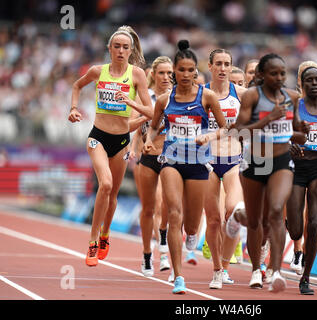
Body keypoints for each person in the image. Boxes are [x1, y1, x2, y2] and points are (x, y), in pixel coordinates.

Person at [142, 40, 227, 294]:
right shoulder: (165, 100)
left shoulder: (207, 96)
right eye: (182, 70)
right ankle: (179, 277)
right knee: (174, 213)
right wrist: (148, 140)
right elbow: (155, 126)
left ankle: (191, 235)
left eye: (191, 70)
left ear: (196, 71)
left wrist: (209, 137)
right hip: (171, 162)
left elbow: (224, 127)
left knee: (191, 225)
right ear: (174, 72)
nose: (187, 75)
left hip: (199, 163)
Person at [68, 25, 154, 267]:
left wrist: (130, 102)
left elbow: (151, 111)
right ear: (109, 49)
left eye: (125, 47)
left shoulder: (137, 75)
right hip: (98, 137)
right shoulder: (98, 71)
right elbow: (76, 86)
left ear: (131, 50)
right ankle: (93, 241)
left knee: (113, 194)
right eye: (116, 46)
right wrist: (74, 109)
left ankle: (106, 233)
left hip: (122, 142)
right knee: (104, 184)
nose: (120, 51)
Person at [233, 53, 305, 292]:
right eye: (274, 73)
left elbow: (297, 133)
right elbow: (239, 132)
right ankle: (256, 269)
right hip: (255, 160)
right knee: (256, 221)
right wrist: (267, 120)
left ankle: (276, 271)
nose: (279, 77)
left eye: (283, 73)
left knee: (275, 211)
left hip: (282, 161)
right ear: (262, 75)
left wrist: (300, 133)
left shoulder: (292, 98)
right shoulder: (252, 96)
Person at [286, 61, 317, 295]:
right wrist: (289, 145)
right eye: (309, 80)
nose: (314, 83)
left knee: (314, 223)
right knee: (296, 230)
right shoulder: (293, 106)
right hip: (296, 167)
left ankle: (306, 277)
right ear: (302, 85)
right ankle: (292, 230)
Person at [203, 48, 247, 289]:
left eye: (226, 64)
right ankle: (218, 270)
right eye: (218, 63)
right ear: (210, 66)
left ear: (231, 68)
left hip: (233, 161)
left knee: (234, 212)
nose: (222, 68)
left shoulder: (241, 94)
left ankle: (226, 265)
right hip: (207, 162)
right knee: (213, 220)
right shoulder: (201, 95)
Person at [130, 56, 173, 277]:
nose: (166, 77)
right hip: (148, 156)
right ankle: (148, 255)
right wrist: (134, 146)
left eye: (169, 73)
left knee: (168, 204)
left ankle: (164, 240)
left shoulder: (179, 97)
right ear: (153, 75)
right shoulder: (145, 97)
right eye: (162, 73)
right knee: (149, 208)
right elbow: (133, 126)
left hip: (172, 156)